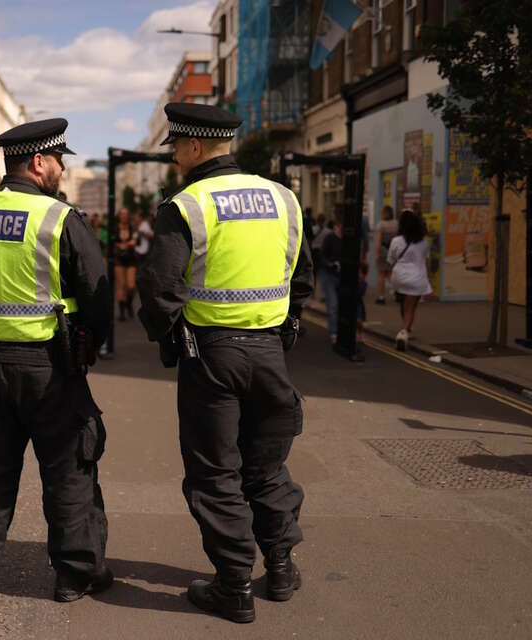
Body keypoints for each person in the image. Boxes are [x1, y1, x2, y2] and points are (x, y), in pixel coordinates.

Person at [136, 102, 313, 624]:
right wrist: (284, 328)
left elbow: (158, 289)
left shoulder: (186, 205)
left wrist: (171, 341)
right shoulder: (284, 199)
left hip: (211, 355)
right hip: (269, 352)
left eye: (175, 151)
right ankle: (280, 566)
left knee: (216, 472)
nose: (174, 161)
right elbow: (300, 277)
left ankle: (234, 585)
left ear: (193, 148)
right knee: (267, 467)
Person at [0, 118, 113, 606]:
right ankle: (75, 574)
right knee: (69, 469)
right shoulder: (59, 219)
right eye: (60, 160)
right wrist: (86, 349)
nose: (62, 169)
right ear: (39, 162)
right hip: (52, 368)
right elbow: (96, 300)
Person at [388, 208, 432, 352]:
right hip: (416, 278)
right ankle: (403, 332)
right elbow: (426, 258)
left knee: (404, 303)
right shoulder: (424, 241)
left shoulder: (396, 241)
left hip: (399, 277)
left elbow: (390, 259)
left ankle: (406, 328)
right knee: (410, 308)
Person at [319, 211, 344, 344]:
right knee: (333, 305)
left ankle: (340, 331)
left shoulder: (348, 239)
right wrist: (330, 264)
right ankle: (334, 333)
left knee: (341, 305)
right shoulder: (329, 238)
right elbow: (322, 256)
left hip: (342, 276)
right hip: (329, 275)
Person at [114, 207, 137, 320]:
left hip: (131, 258)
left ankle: (129, 303)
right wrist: (118, 246)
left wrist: (133, 242)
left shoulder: (132, 227)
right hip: (119, 259)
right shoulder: (115, 228)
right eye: (122, 214)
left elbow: (138, 239)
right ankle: (122, 312)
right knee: (121, 286)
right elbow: (110, 240)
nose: (124, 216)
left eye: (126, 214)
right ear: (119, 216)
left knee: (131, 286)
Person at [374, 205, 398, 304]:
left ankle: (381, 297)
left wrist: (376, 254)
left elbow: (378, 241)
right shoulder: (396, 223)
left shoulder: (381, 225)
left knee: (381, 274)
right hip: (393, 251)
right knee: (391, 273)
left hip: (383, 252)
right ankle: (398, 292)